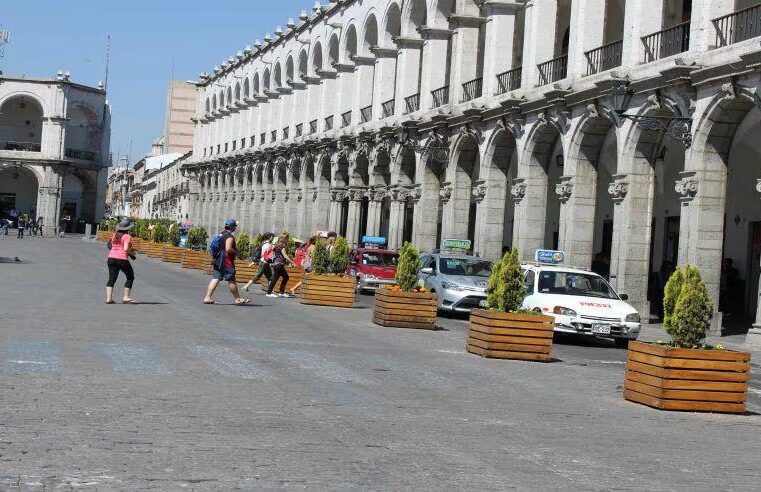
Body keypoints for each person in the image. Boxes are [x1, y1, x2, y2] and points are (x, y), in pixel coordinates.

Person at [204, 219, 249, 305]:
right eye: (235, 226)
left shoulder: (221, 234)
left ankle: (208, 297)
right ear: (232, 227)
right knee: (231, 280)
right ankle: (237, 299)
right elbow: (228, 249)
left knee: (216, 278)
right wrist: (237, 252)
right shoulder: (229, 236)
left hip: (217, 260)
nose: (236, 227)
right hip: (226, 261)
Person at [105, 218, 137, 304]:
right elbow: (126, 249)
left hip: (111, 258)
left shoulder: (115, 235)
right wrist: (132, 254)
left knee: (112, 278)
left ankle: (109, 298)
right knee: (130, 277)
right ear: (128, 228)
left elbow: (111, 245)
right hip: (121, 259)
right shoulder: (126, 236)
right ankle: (126, 297)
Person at [266, 233, 294, 298]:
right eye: (287, 239)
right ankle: (269, 292)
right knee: (277, 278)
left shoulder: (275, 245)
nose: (288, 240)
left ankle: (281, 292)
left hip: (276, 264)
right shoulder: (281, 247)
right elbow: (285, 256)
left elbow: (270, 251)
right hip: (279, 264)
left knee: (284, 277)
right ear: (284, 239)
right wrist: (292, 262)